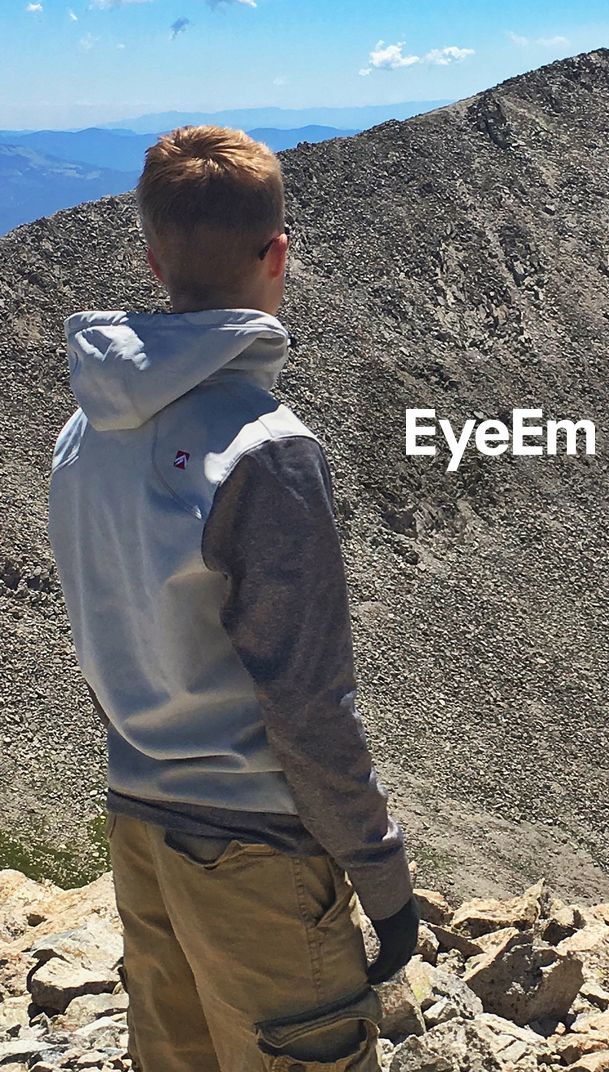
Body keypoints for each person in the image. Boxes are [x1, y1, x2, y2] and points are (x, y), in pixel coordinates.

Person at [47, 124, 419, 1071]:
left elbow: (107, 626)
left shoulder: (82, 437)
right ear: (278, 254)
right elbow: (306, 701)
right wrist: (380, 874)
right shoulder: (264, 447)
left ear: (154, 256)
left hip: (140, 824)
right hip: (254, 852)